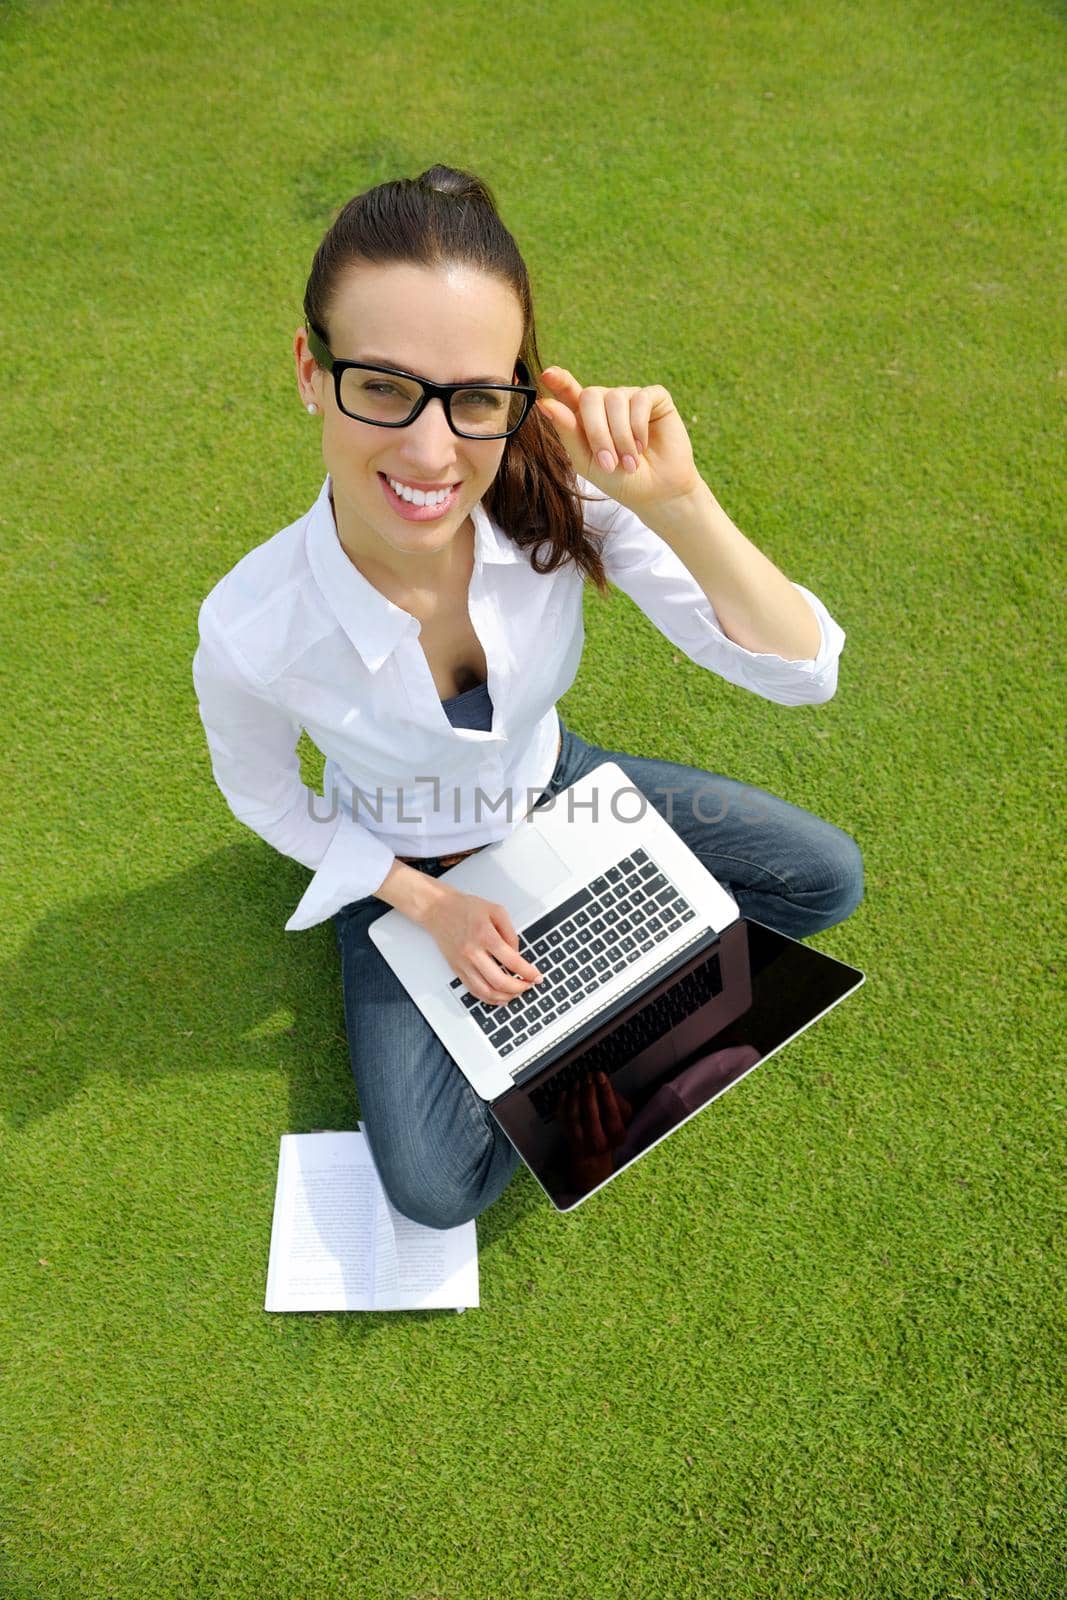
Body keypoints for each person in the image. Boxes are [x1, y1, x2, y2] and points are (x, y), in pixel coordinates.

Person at [192, 163, 863, 1231]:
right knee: (431, 1187)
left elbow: (800, 669)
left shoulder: (559, 495)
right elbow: (266, 800)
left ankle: (581, 985)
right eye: (379, 383)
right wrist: (428, 904)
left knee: (823, 878)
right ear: (309, 373)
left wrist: (680, 503)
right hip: (402, 861)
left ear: (515, 390)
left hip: (561, 789)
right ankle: (557, 972)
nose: (427, 450)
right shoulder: (251, 625)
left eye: (473, 398)